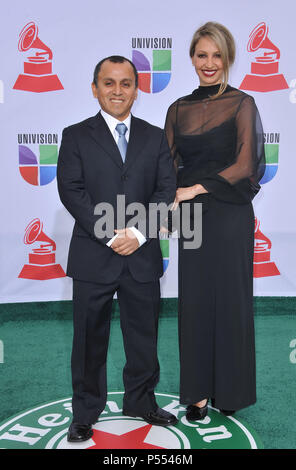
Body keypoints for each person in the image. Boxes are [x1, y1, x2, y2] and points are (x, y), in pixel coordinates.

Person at [57, 55, 177, 442]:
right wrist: (111, 235)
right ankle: (85, 411)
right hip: (94, 254)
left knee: (143, 336)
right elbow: (71, 191)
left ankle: (141, 401)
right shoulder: (75, 135)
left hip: (141, 254)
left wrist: (138, 235)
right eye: (108, 83)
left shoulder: (155, 136)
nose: (117, 91)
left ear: (137, 90)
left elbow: (165, 190)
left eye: (126, 83)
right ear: (95, 88)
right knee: (89, 339)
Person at [165, 22, 265, 420]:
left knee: (231, 302)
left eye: (217, 55)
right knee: (194, 302)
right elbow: (167, 165)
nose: (209, 63)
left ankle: (231, 391)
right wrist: (165, 199)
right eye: (202, 55)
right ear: (192, 58)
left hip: (229, 214)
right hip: (191, 220)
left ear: (228, 59)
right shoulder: (177, 109)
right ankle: (198, 393)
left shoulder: (243, 104)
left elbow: (246, 165)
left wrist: (194, 189)